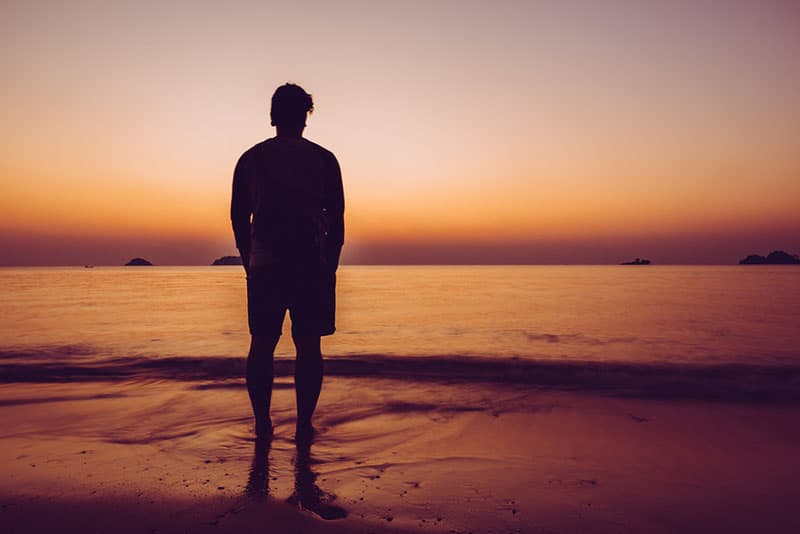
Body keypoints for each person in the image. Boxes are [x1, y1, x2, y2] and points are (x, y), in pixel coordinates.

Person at [231, 83, 344, 440]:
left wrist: (248, 260)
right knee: (309, 346)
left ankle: (263, 424)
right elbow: (338, 219)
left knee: (262, 344)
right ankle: (303, 424)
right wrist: (331, 264)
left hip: (265, 264)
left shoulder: (250, 158)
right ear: (306, 117)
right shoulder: (325, 159)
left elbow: (238, 216)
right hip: (311, 264)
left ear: (272, 116)